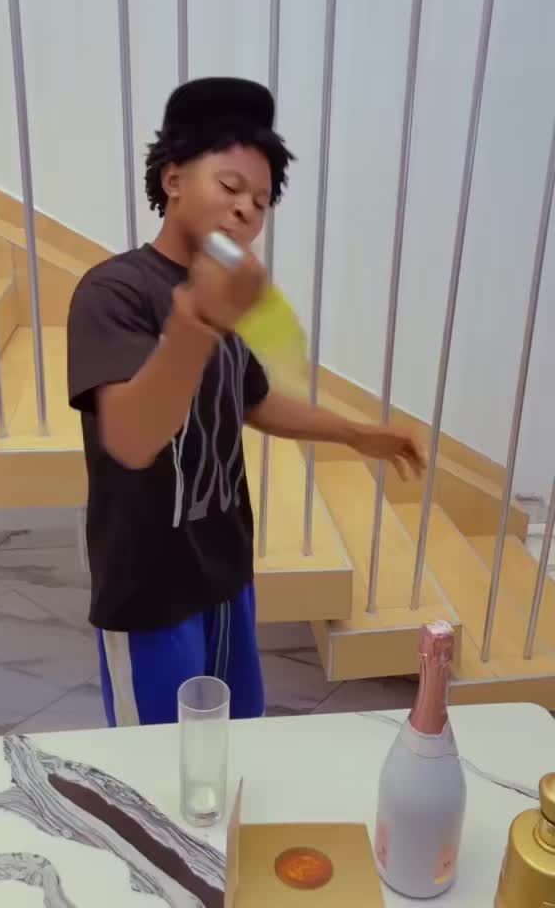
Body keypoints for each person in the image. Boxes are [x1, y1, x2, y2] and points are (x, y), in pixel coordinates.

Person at [67, 77, 425, 727]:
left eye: (260, 202)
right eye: (230, 187)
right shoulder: (114, 290)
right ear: (173, 179)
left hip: (225, 571)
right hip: (148, 587)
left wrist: (353, 434)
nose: (246, 212)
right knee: (158, 759)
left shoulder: (220, 298)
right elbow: (133, 436)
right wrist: (199, 321)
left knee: (241, 735)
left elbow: (252, 400)